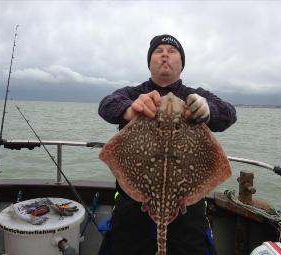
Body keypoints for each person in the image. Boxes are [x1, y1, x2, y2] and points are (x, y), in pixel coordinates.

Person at [98, 34, 237, 255]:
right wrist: (130, 108)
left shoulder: (196, 95)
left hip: (186, 204)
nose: (165, 55)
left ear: (181, 63)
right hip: (133, 200)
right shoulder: (134, 93)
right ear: (149, 61)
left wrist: (209, 110)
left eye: (172, 52)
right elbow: (106, 105)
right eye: (158, 51)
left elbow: (229, 113)